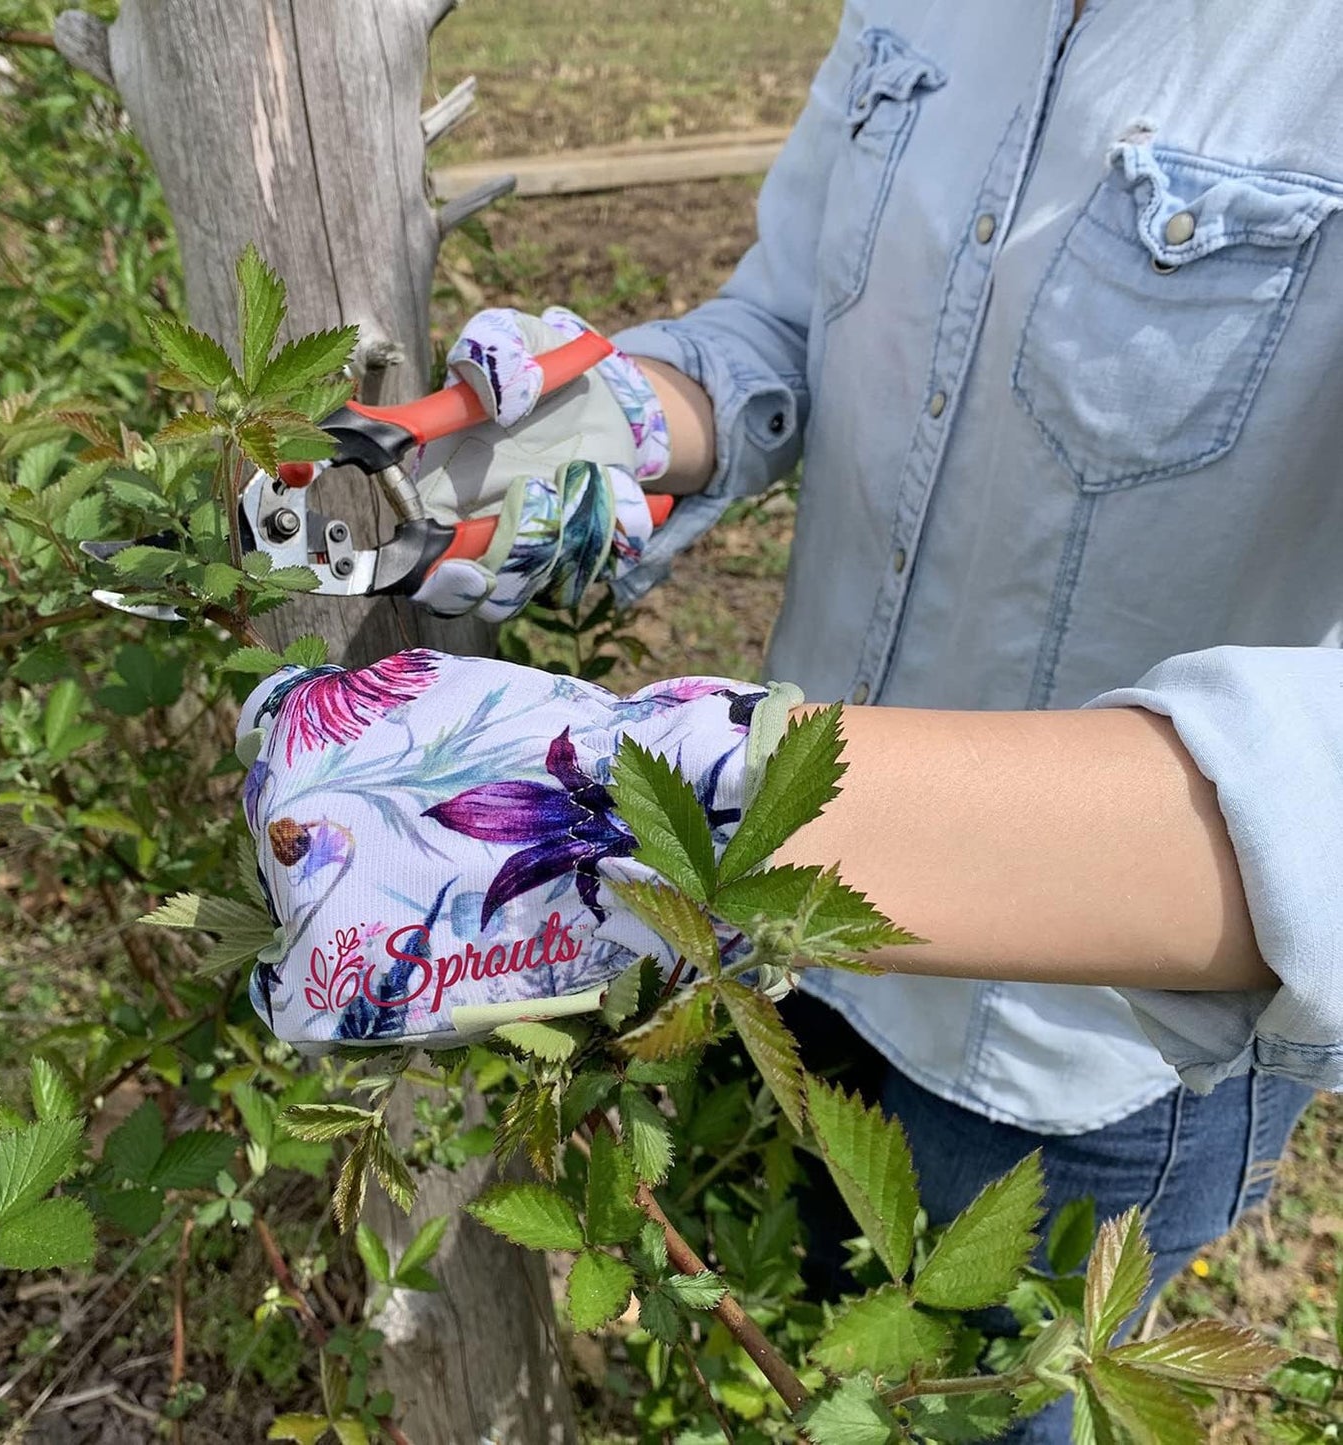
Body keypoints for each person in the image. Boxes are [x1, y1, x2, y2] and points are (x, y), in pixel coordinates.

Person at [238, 2, 1343, 1437]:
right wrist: (610, 427)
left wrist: (695, 805)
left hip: (1084, 1060)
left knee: (989, 1407)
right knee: (810, 1340)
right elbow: (787, 325)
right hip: (796, 984)